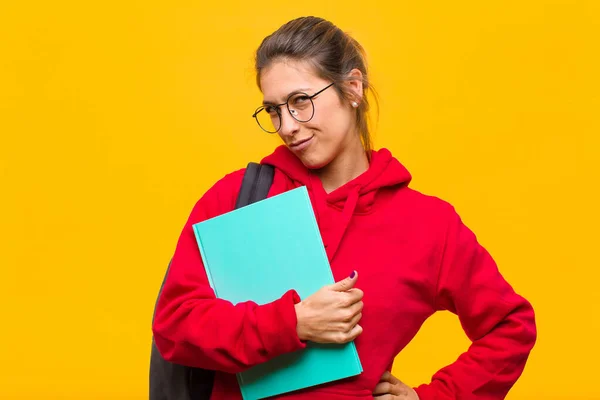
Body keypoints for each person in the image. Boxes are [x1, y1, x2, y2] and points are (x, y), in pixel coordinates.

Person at [152, 16, 537, 400]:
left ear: (352, 88)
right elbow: (174, 327)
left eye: (301, 101)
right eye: (273, 110)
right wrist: (293, 323)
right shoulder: (236, 197)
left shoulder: (428, 225)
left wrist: (434, 397)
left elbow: (511, 327)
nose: (287, 125)